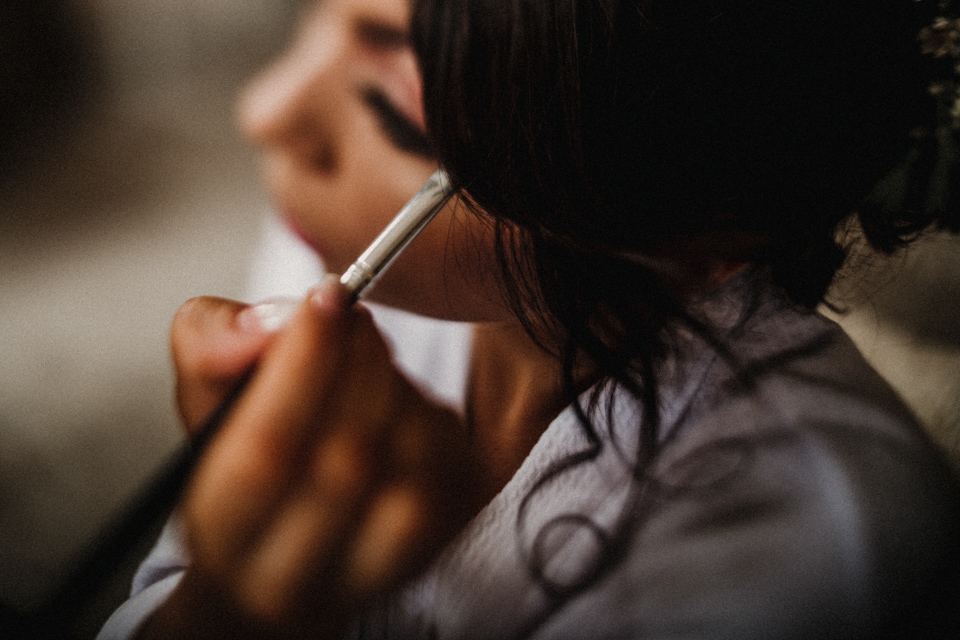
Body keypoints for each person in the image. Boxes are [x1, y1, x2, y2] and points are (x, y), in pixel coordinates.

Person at [100, 0, 960, 638]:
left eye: (396, 115)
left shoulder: (803, 542)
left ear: (696, 232)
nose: (266, 109)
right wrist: (214, 592)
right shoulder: (353, 261)